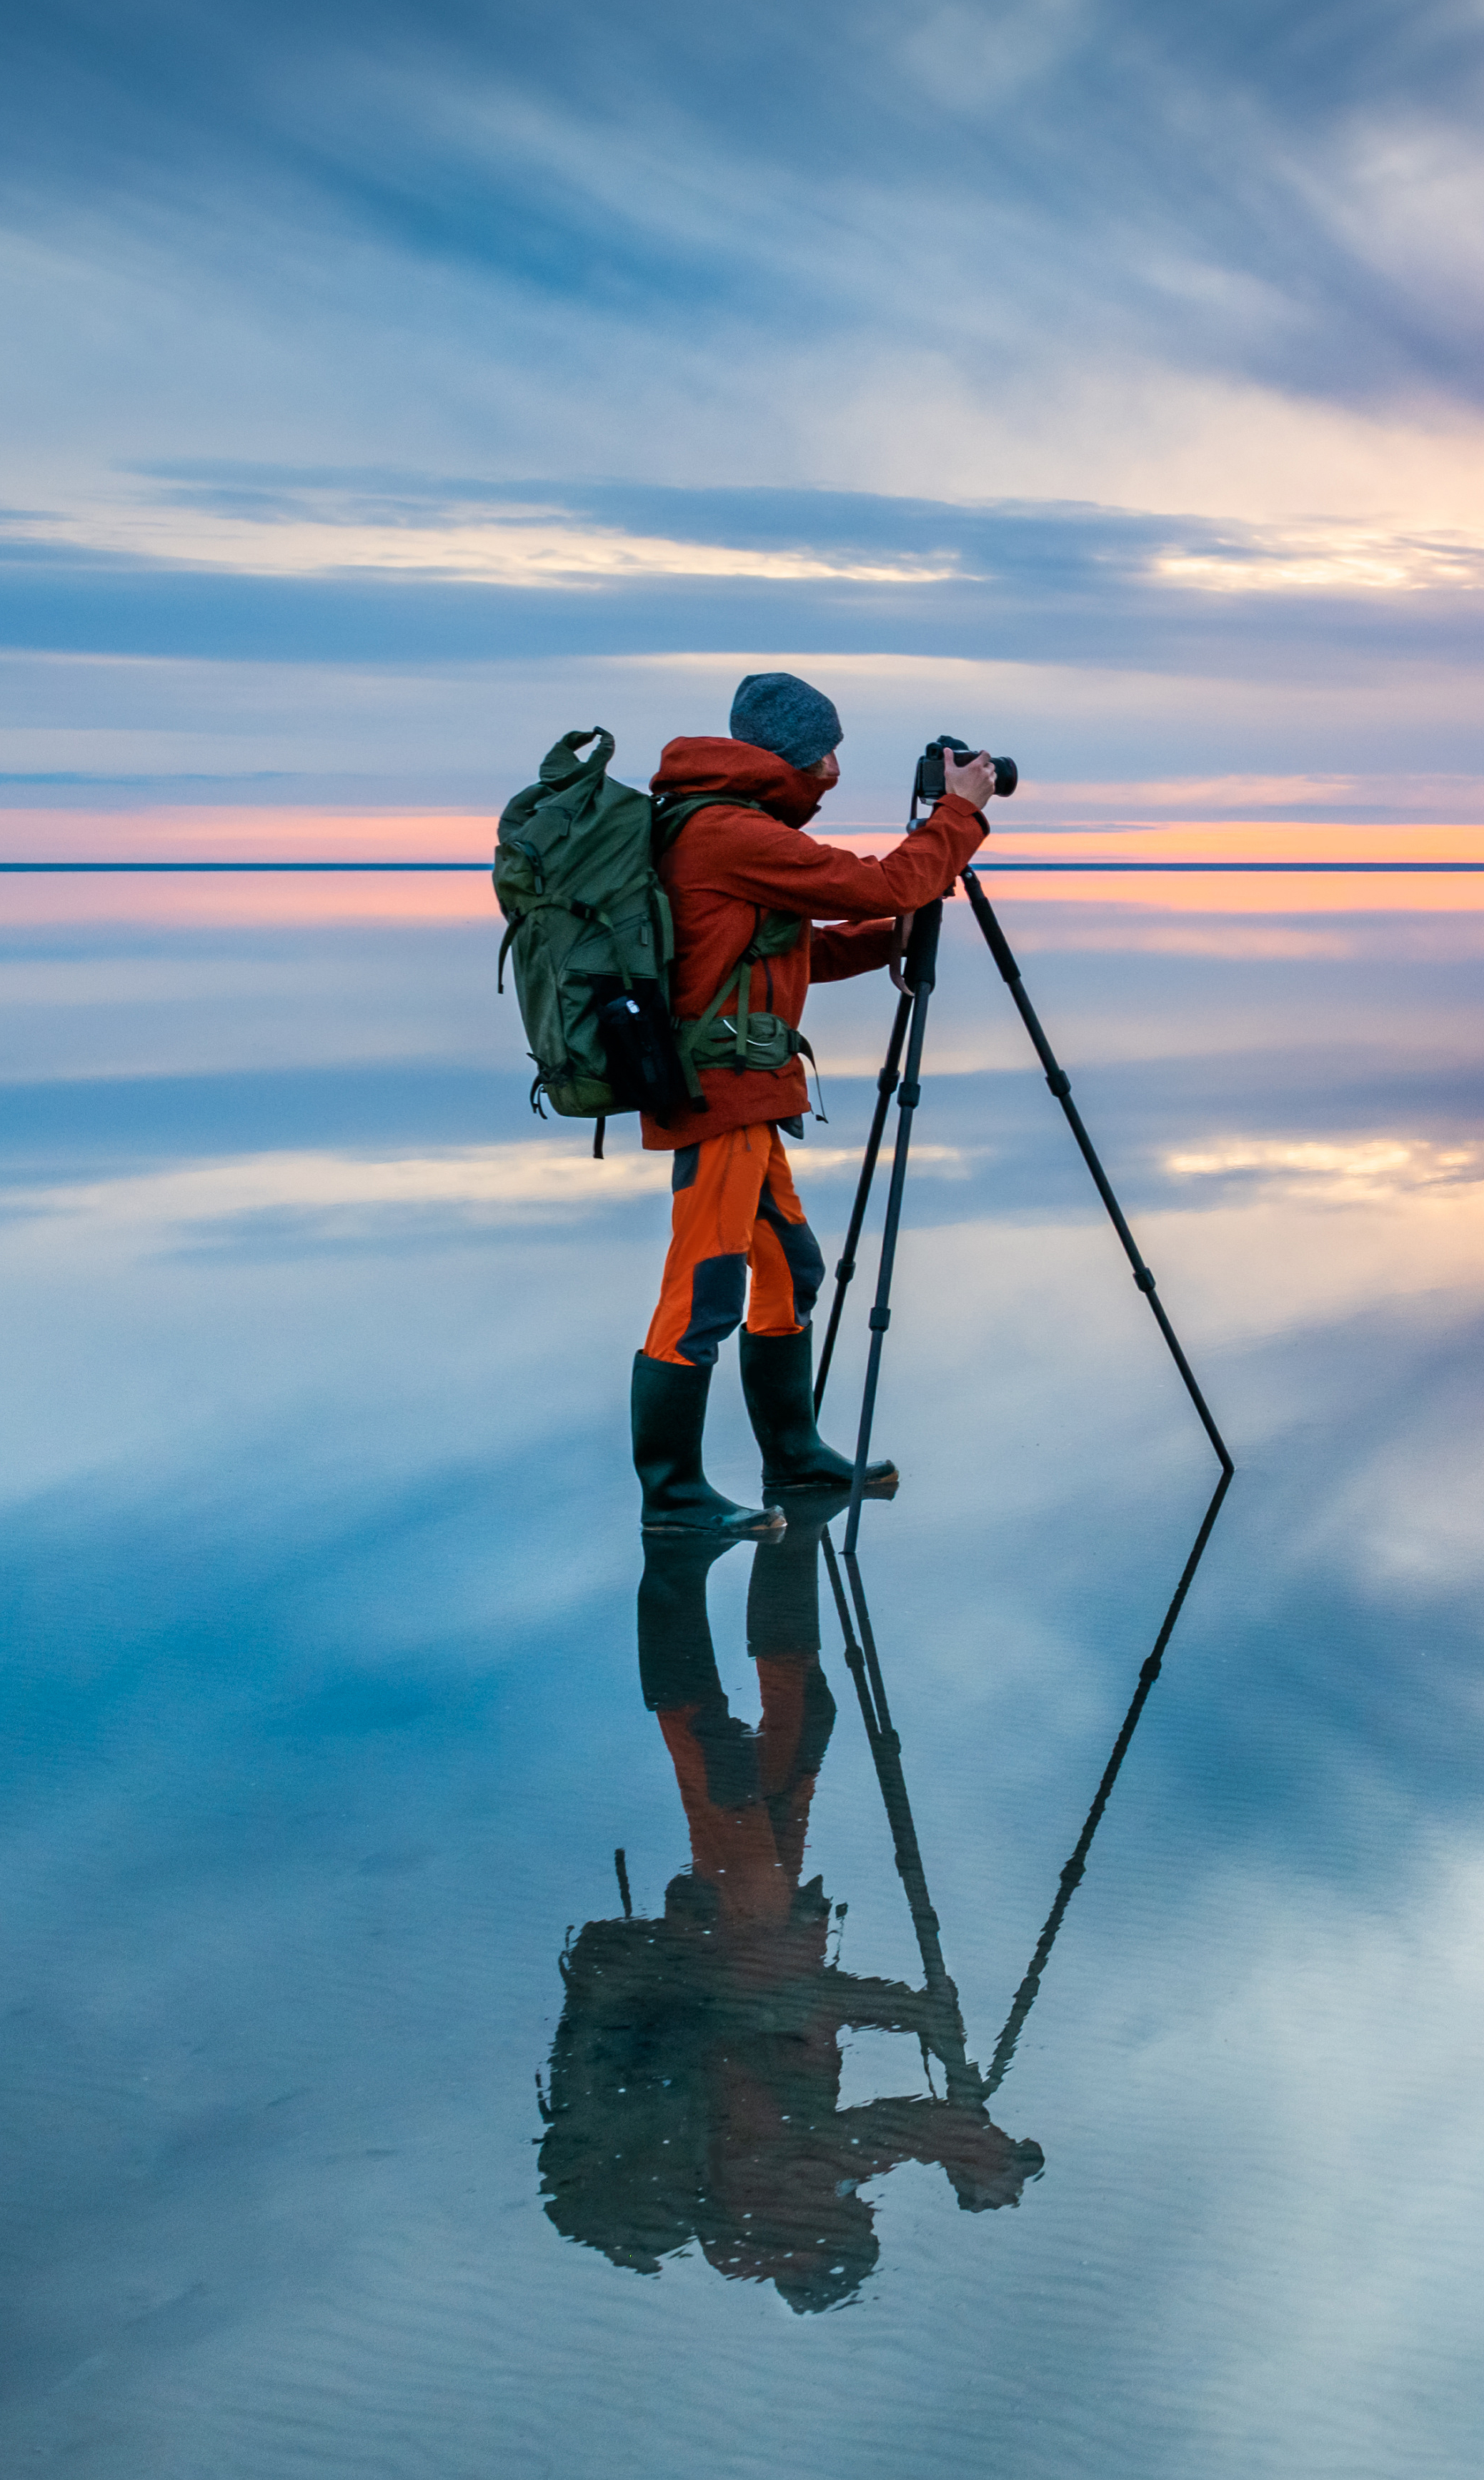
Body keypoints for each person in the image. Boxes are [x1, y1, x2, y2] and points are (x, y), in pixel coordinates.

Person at [541, 1508, 1040, 2309]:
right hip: (756, 1942)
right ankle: (792, 1524)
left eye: (847, 2227)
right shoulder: (773, 2204)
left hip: (739, 1943)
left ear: (807, 2254)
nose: (855, 2208)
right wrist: (916, 2022)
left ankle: (674, 1557)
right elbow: (823, 2040)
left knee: (722, 1756)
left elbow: (881, 2114)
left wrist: (979, 2150)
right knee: (799, 1725)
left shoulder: (766, 2203)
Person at [629, 671, 995, 1536]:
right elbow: (877, 885)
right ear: (787, 755)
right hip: (717, 1096)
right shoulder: (724, 831)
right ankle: (672, 1496)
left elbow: (789, 956)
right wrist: (960, 815)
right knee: (704, 1286)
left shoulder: (725, 827)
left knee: (788, 1270)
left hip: (749, 1091)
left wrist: (886, 941)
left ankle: (794, 1460)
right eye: (824, 752)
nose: (833, 768)